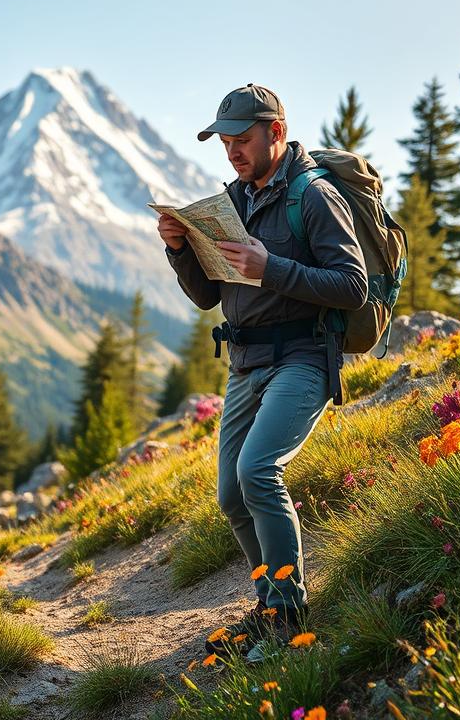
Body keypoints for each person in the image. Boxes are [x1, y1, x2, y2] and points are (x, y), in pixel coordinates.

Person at [157, 84, 368, 650]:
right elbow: (208, 297)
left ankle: (288, 614)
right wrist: (180, 249)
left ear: (275, 131)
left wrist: (270, 267)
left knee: (257, 472)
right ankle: (269, 603)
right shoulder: (233, 201)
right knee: (231, 495)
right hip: (246, 364)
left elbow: (353, 285)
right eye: (224, 142)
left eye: (241, 139)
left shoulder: (315, 197)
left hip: (302, 355)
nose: (231, 153)